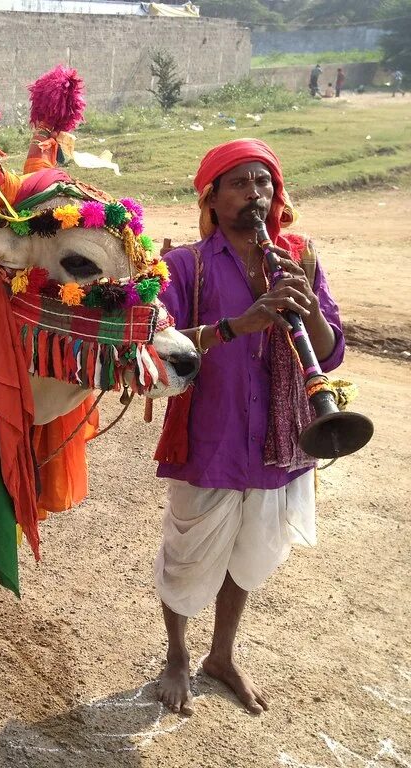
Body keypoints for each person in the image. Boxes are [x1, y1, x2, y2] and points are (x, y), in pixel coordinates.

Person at [152, 138, 346, 716]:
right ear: (211, 197)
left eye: (263, 182)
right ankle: (178, 656)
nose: (254, 193)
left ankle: (222, 654)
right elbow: (161, 352)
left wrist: (305, 305)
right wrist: (239, 325)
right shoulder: (186, 265)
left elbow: (331, 353)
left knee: (251, 553)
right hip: (209, 439)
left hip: (278, 444)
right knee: (188, 556)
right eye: (238, 183)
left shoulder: (300, 258)